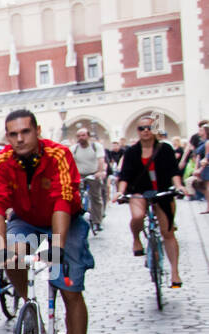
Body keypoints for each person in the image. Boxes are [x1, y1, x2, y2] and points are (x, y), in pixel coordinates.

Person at [0, 109, 93, 334]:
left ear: (37, 131)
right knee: (10, 254)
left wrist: (56, 246)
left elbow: (63, 200)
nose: (19, 139)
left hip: (66, 217)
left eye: (25, 132)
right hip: (26, 219)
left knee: (71, 290)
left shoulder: (58, 154)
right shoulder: (1, 161)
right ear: (7, 136)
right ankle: (29, 306)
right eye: (13, 134)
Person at [117, 115, 186, 288]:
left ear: (154, 130)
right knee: (138, 216)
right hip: (139, 192)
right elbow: (124, 174)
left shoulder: (165, 149)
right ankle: (136, 239)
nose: (145, 131)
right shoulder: (131, 152)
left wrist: (178, 186)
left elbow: (174, 171)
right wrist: (120, 192)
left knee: (168, 232)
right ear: (138, 132)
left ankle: (175, 274)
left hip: (162, 191)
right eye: (141, 128)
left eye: (149, 128)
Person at [71, 127, 107, 230]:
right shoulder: (74, 148)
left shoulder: (96, 146)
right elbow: (69, 162)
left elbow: (100, 160)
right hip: (79, 175)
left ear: (88, 136)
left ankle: (97, 221)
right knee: (75, 196)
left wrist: (100, 172)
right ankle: (76, 218)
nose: (81, 138)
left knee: (96, 197)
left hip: (93, 173)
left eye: (83, 135)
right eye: (78, 136)